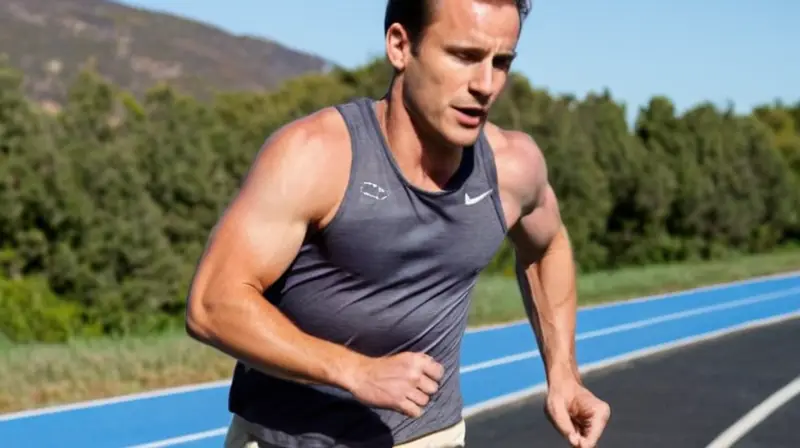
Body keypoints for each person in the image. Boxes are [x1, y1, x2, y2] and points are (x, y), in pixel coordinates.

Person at [185, 0, 611, 446]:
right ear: (400, 46)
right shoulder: (315, 156)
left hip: (427, 437)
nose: (486, 85)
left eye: (501, 62)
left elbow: (546, 247)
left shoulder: (511, 167)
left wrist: (563, 375)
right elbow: (212, 304)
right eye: (464, 56)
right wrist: (354, 371)